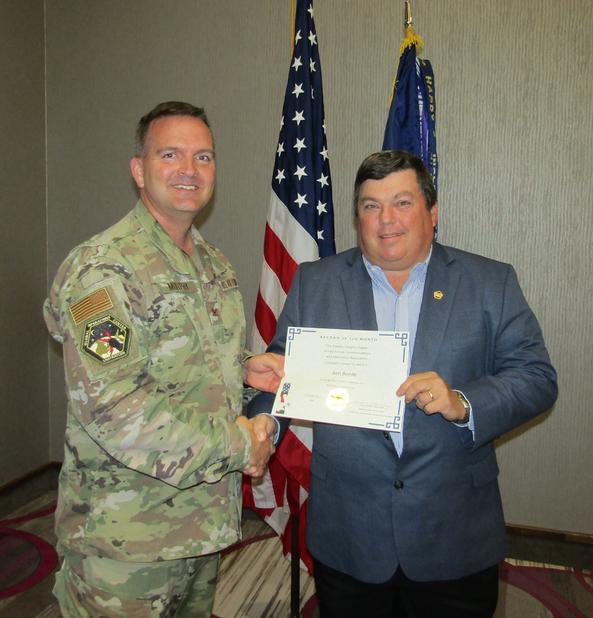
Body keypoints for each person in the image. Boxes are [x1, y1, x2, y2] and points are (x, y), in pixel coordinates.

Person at [249, 150, 558, 617]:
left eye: (402, 203)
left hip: (454, 535)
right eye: (371, 205)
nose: (386, 219)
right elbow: (282, 373)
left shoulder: (489, 282)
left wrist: (463, 402)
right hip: (349, 532)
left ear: (433, 213)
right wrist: (264, 423)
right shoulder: (316, 282)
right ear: (358, 218)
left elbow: (536, 378)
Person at [44, 101, 280, 617]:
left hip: (199, 527)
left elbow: (174, 354)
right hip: (125, 545)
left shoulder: (211, 262)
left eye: (203, 157)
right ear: (139, 170)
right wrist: (239, 445)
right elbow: (114, 408)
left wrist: (240, 366)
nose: (189, 171)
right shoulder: (102, 271)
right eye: (170, 154)